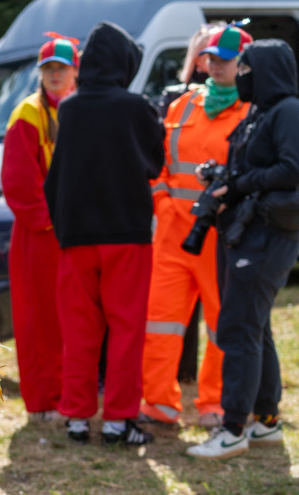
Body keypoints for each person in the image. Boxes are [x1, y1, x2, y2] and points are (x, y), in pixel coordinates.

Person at [43, 21, 166, 445]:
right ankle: (118, 421)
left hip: (76, 238)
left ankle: (77, 418)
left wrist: (64, 228)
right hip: (126, 235)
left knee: (79, 331)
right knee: (126, 329)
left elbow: (53, 179)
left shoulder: (70, 108)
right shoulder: (136, 106)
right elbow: (154, 163)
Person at [187, 39, 299, 459]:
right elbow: (256, 166)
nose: (242, 77)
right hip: (248, 232)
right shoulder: (263, 112)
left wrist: (235, 185)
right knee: (256, 326)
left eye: (247, 69)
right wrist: (221, 176)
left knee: (237, 327)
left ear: (265, 71)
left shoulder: (287, 110)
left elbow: (292, 168)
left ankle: (233, 428)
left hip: (269, 235)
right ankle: (266, 420)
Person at [141, 24, 252, 429]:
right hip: (173, 236)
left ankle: (214, 405)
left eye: (226, 62)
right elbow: (159, 166)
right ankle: (158, 405)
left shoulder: (252, 114)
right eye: (211, 60)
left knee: (222, 326)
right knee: (160, 323)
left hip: (222, 238)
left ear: (244, 66)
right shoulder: (181, 106)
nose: (216, 68)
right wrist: (162, 202)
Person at [1, 33, 79, 423]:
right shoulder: (27, 114)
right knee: (39, 321)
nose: (53, 75)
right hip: (41, 234)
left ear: (74, 72)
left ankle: (73, 396)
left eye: (60, 69)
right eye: (48, 69)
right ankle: (44, 401)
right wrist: (49, 221)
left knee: (74, 319)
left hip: (77, 232)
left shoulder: (81, 110)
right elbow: (18, 181)